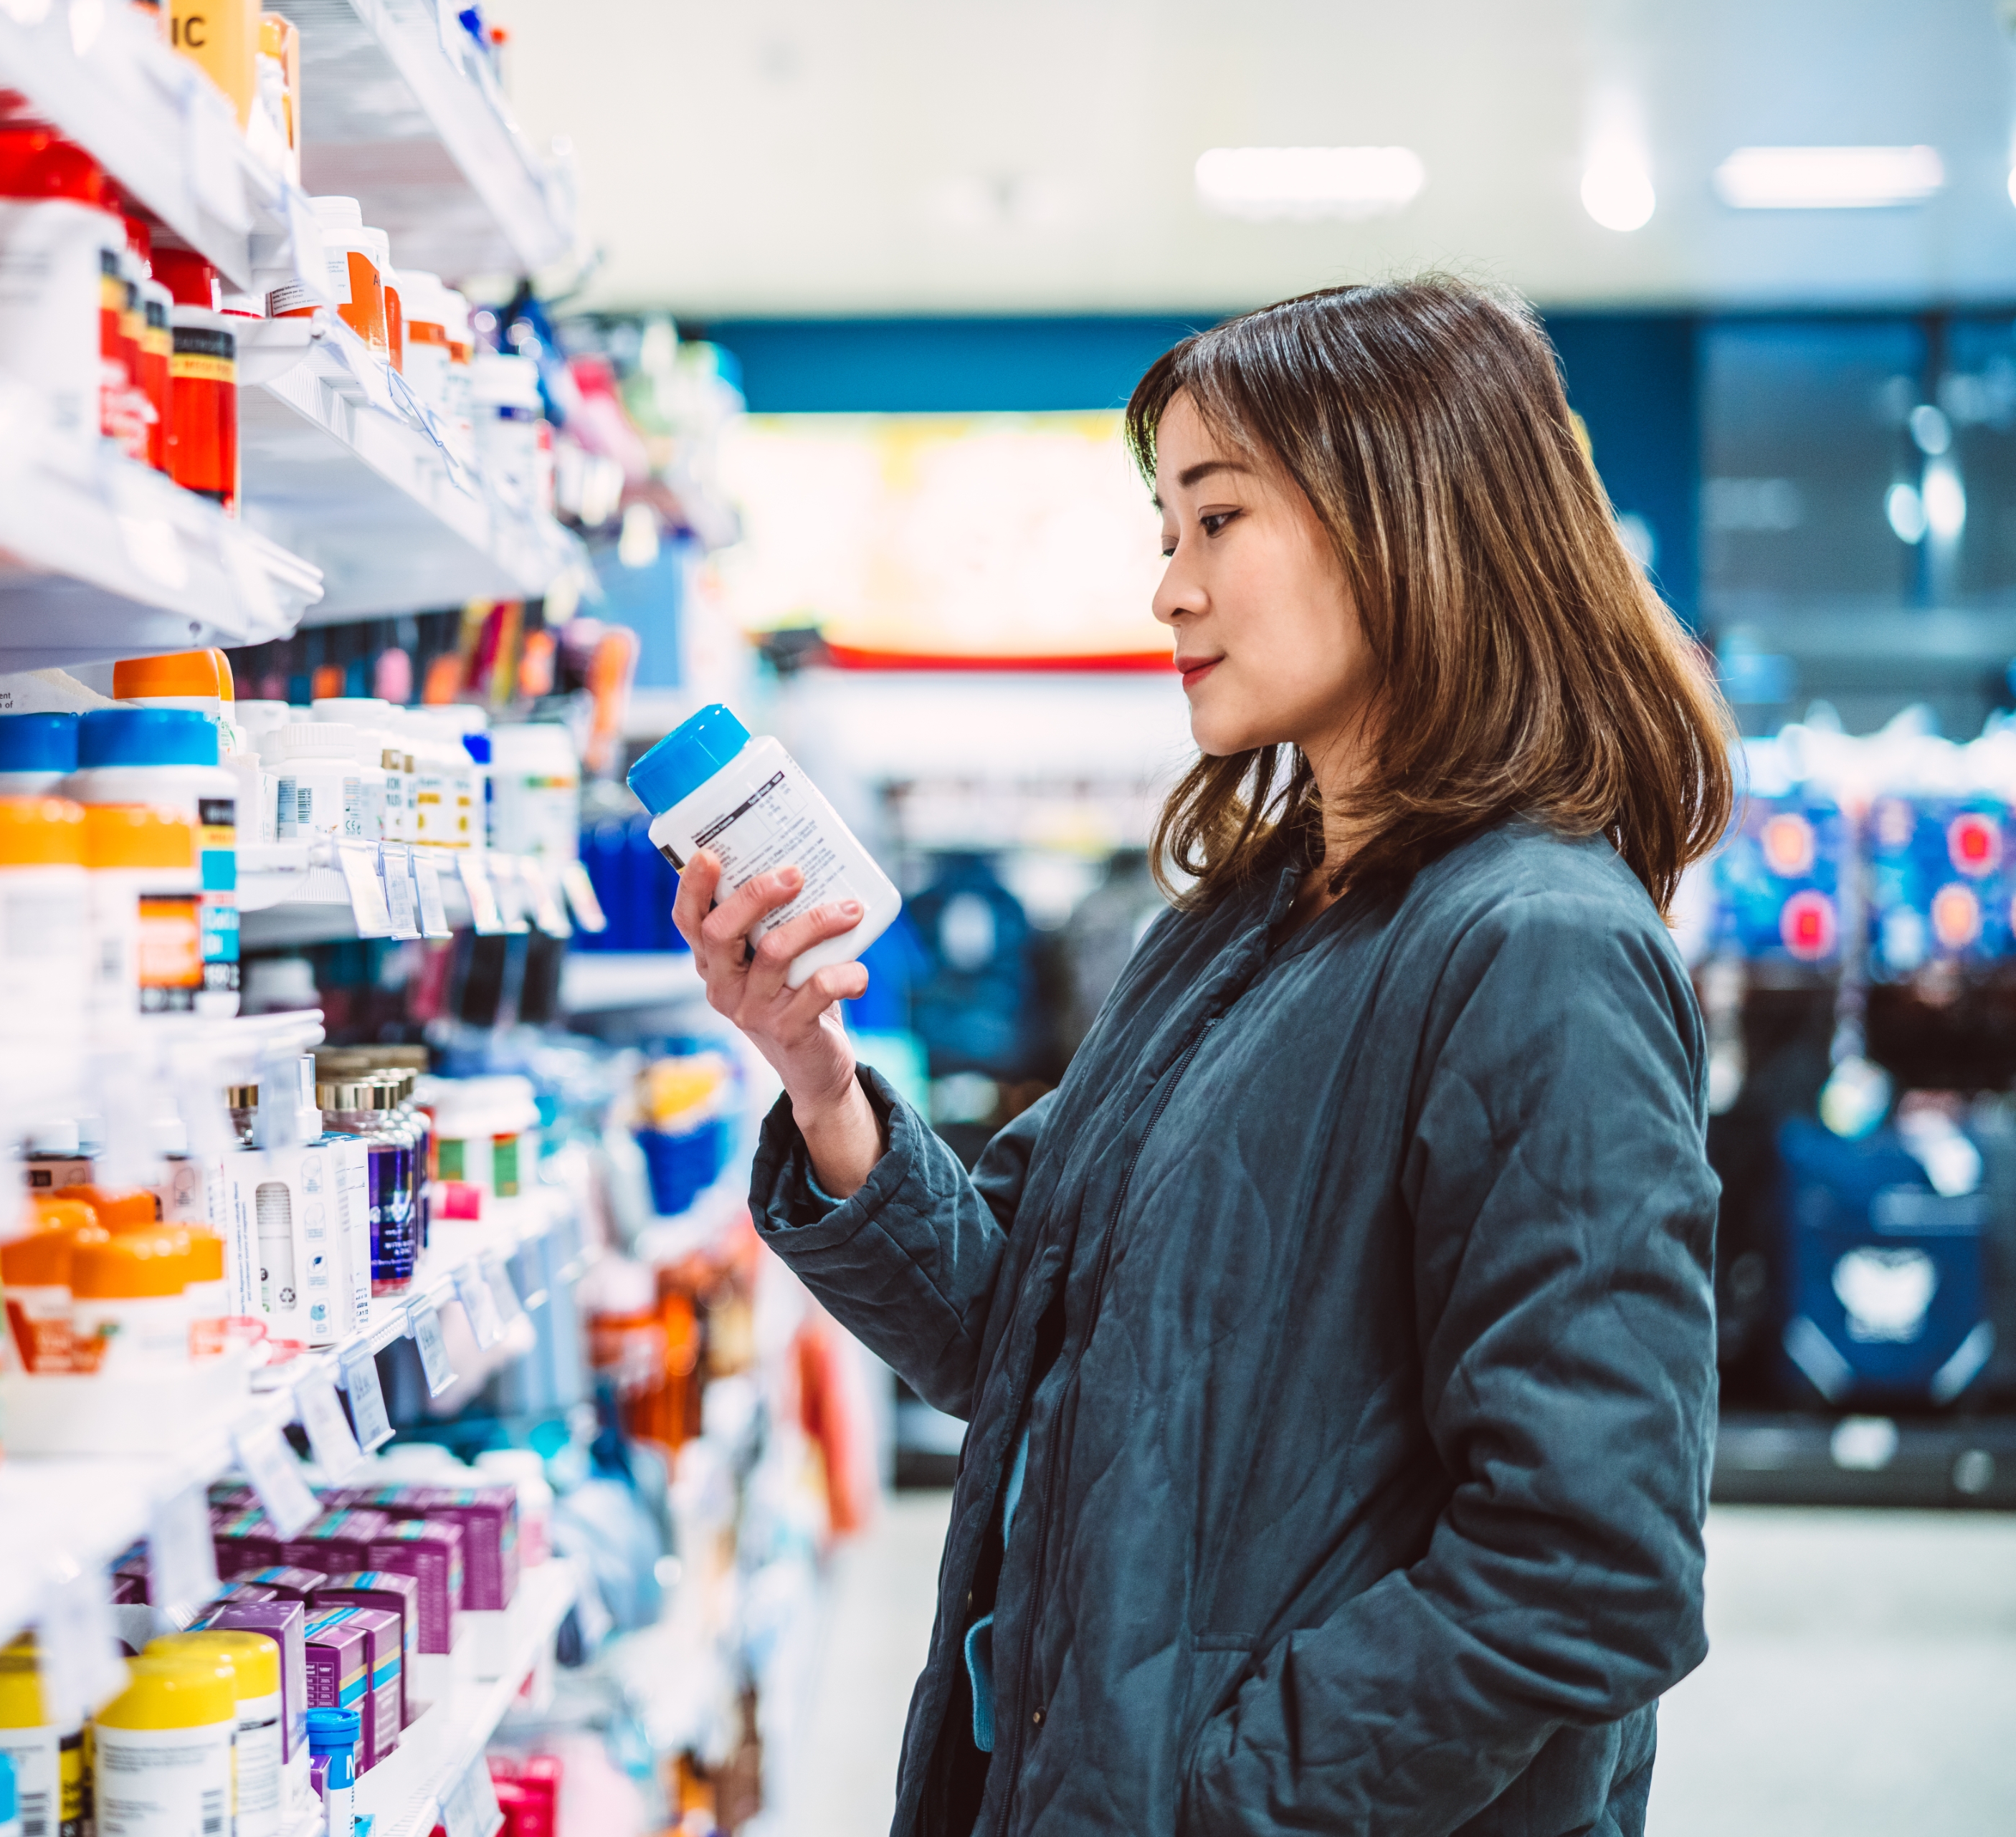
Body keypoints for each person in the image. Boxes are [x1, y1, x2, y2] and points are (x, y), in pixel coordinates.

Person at [675, 275, 1731, 1836]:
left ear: (1404, 518)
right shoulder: (1244, 921)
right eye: (1165, 533)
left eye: (1216, 520)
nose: (1170, 590)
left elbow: (1589, 1560)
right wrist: (816, 1078)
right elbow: (1007, 1325)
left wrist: (1218, 1794)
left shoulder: (1537, 948)